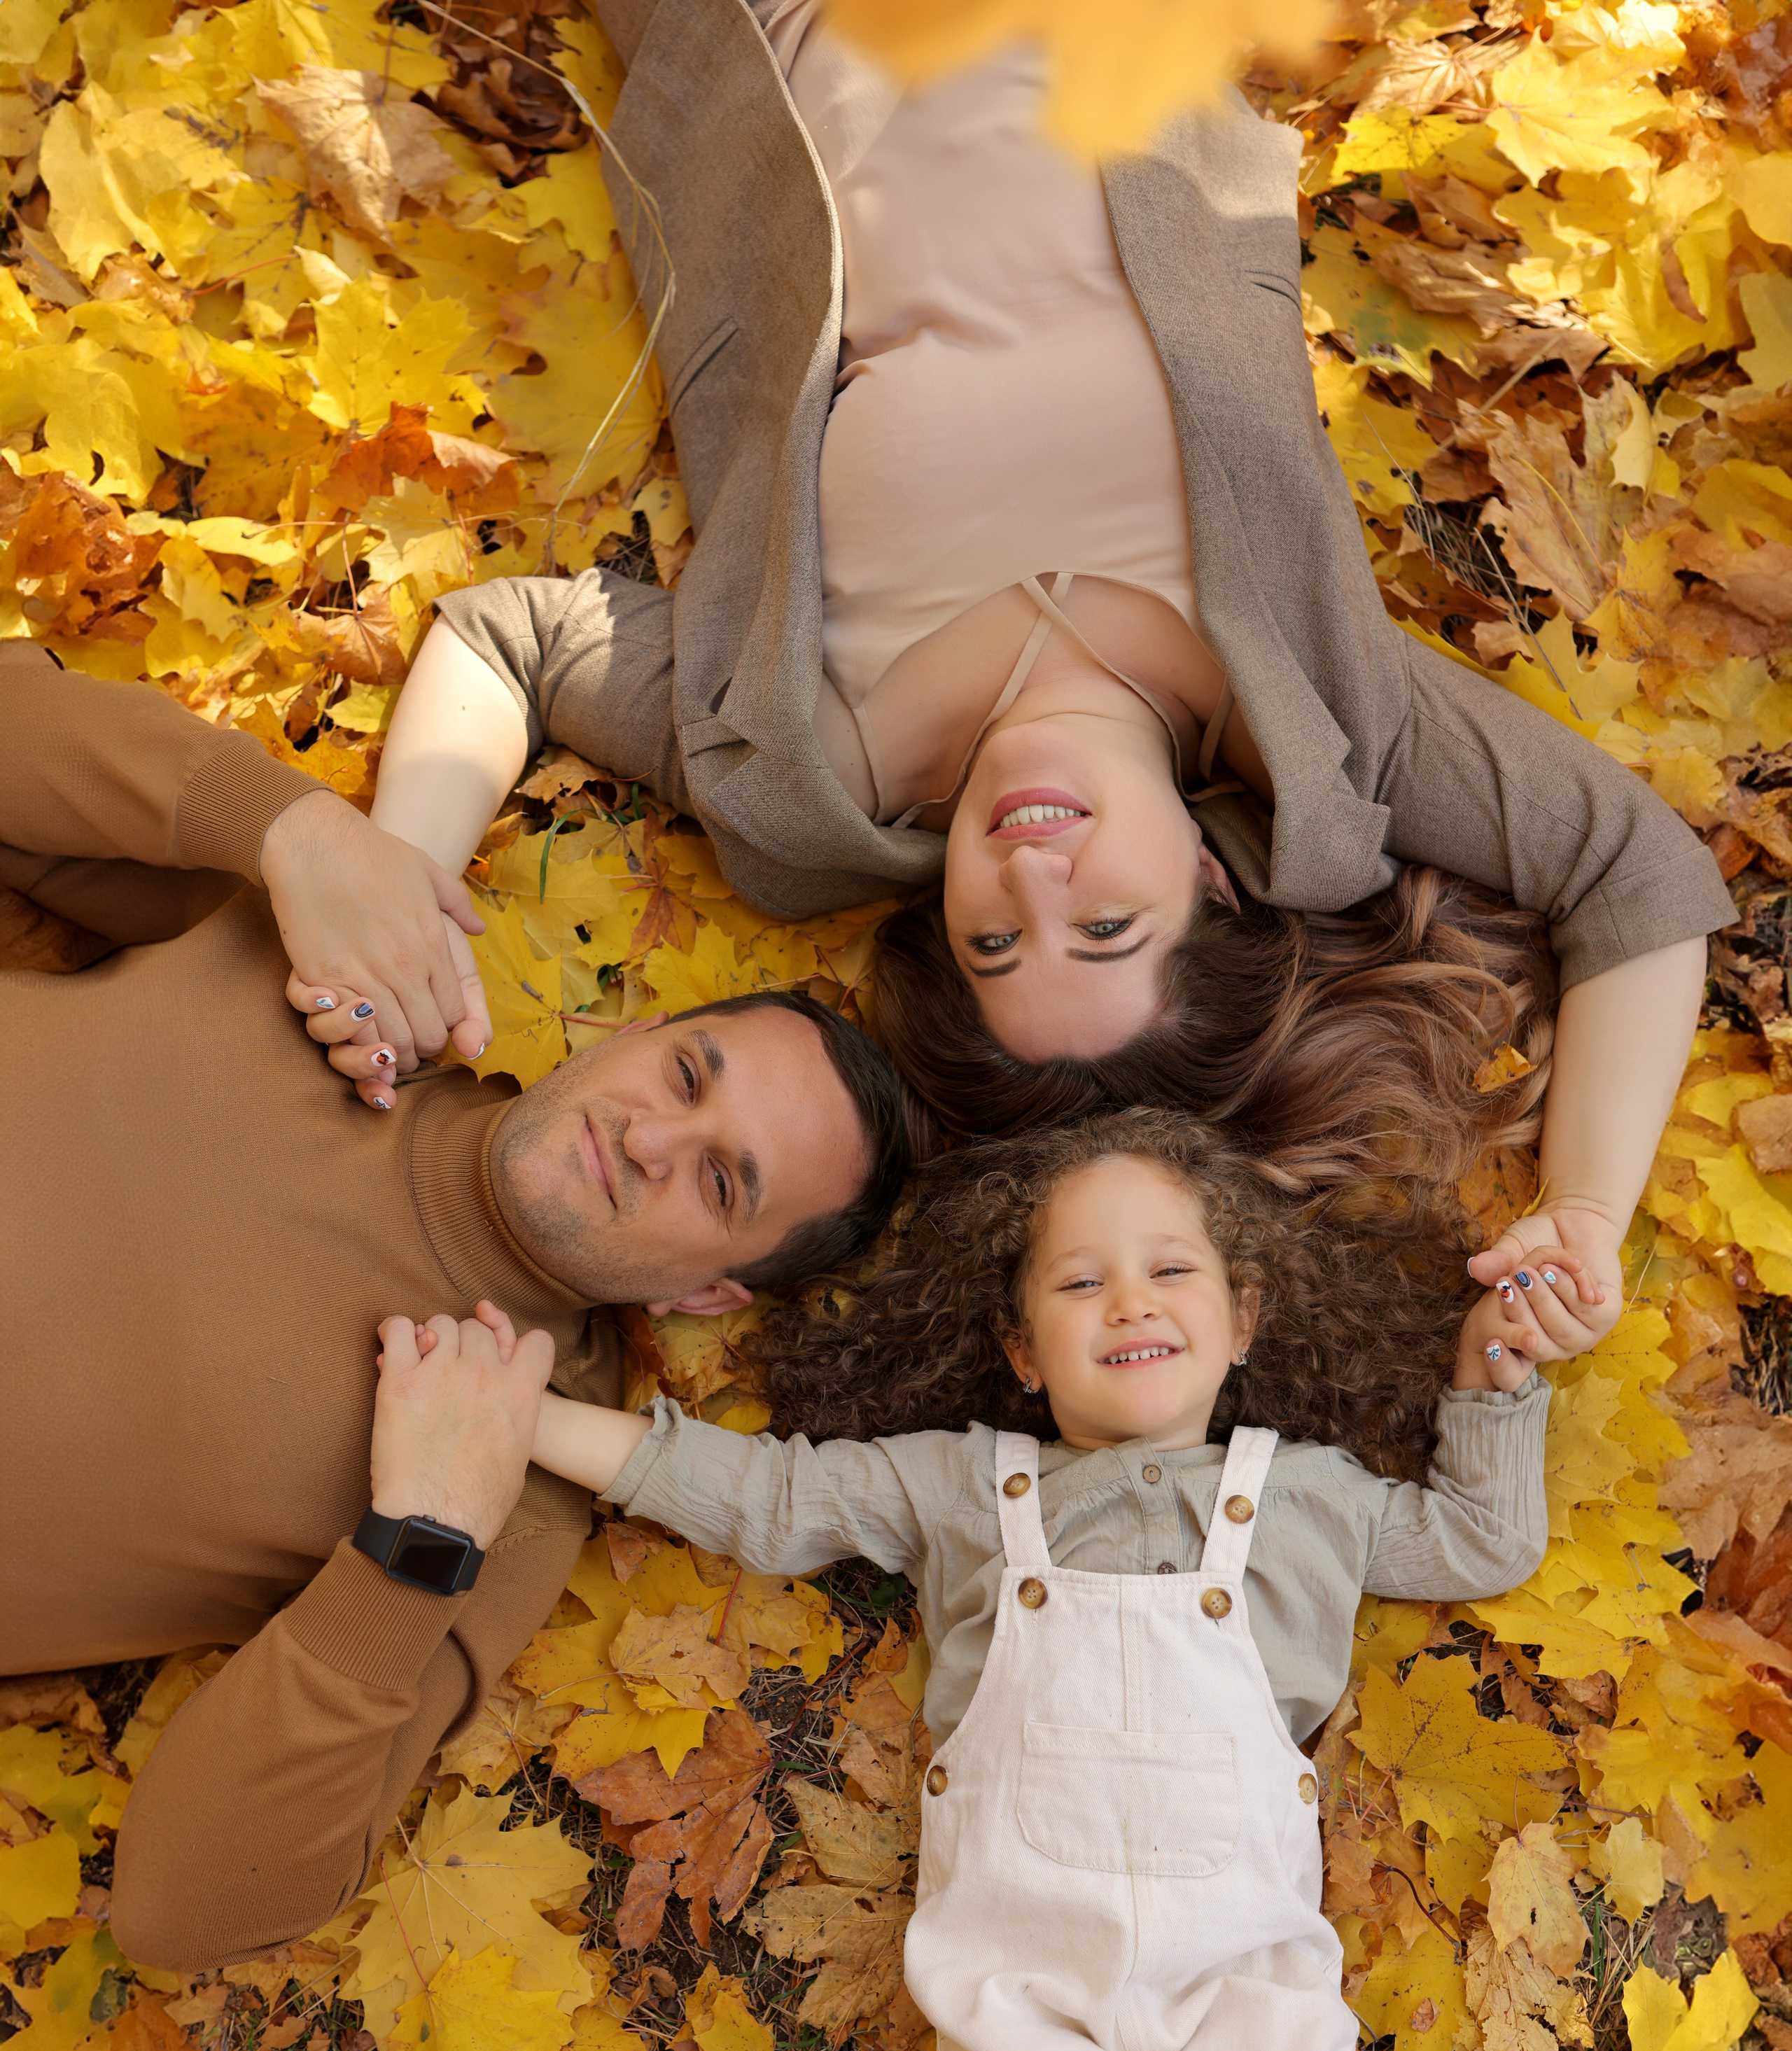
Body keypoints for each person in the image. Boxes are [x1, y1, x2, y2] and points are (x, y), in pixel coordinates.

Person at [271, 0, 1731, 1353]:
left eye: (990, 948)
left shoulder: (813, 771)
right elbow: (1630, 878)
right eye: (1100, 926)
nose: (1027, 881)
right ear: (1209, 887)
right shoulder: (1321, 717)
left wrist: (400, 879)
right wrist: (1584, 1211)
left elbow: (506, 643)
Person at [371, 1110, 1575, 2051]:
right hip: (1019, 1981)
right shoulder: (964, 1486)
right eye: (1080, 1281)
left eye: (1171, 1270)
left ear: (1244, 1317)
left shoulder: (1311, 1496)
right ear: (1022, 1349)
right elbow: (770, 1498)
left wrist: (1489, 1384)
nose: (1129, 1303)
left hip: (1240, 1972)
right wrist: (517, 1417)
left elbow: (1478, 1539)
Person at [0, 641, 907, 1970]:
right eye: (689, 1072)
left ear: (714, 1290)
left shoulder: (509, 1474)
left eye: (719, 1181)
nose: (654, 1136)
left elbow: (189, 1914)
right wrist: (297, 832)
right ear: (633, 1037)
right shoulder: (350, 967)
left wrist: (412, 1545)